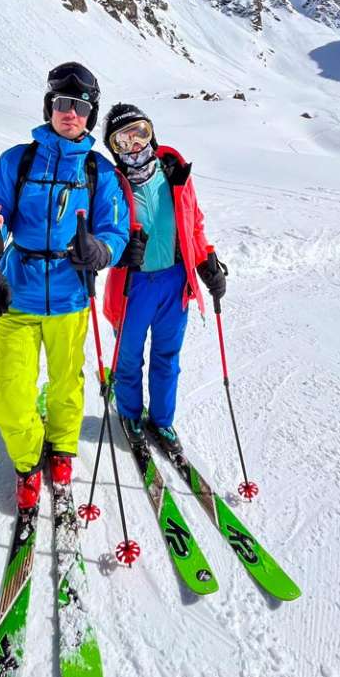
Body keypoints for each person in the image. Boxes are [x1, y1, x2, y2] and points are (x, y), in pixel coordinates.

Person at [0, 63, 129, 512]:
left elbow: (115, 233)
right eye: (63, 104)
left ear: (90, 115)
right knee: (11, 391)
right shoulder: (16, 161)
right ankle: (26, 462)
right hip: (17, 293)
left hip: (70, 295)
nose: (71, 114)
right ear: (50, 107)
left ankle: (61, 449)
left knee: (66, 384)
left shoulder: (97, 171)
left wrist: (100, 250)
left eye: (81, 107)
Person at [102, 103, 227, 454]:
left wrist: (207, 263)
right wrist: (121, 251)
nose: (134, 145)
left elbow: (194, 224)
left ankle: (161, 420)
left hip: (175, 281)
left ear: (151, 132)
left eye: (139, 133)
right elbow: (102, 232)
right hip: (133, 286)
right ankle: (129, 412)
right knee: (128, 357)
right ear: (113, 149)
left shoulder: (173, 172)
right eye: (122, 141)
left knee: (166, 356)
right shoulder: (111, 184)